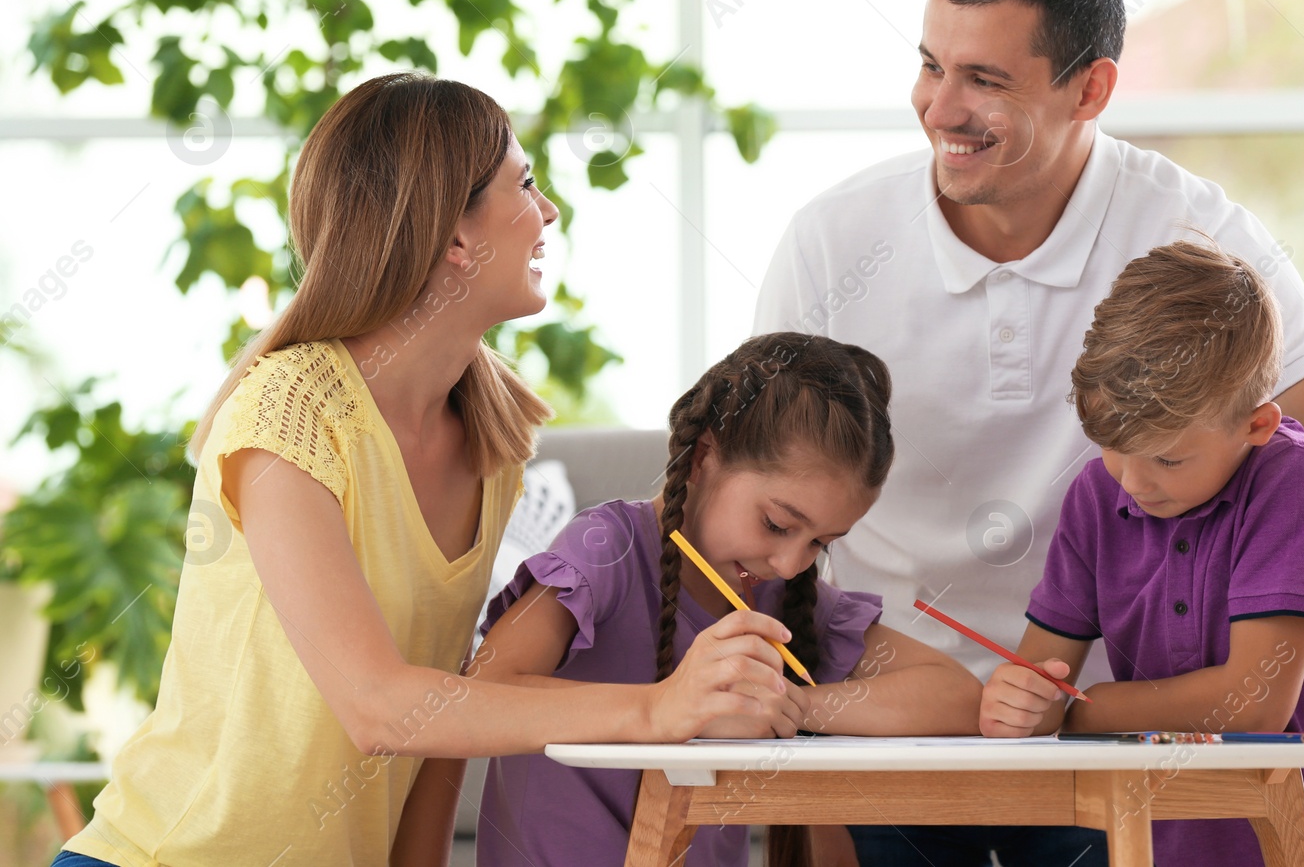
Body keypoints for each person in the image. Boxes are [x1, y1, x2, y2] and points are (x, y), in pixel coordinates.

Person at [753, 0, 1304, 864]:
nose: (940, 107)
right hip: (891, 712)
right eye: (931, 64)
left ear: (1092, 88)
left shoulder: (1193, 235)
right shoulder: (832, 243)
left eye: (986, 80)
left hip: (1112, 738)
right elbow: (747, 506)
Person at [58, 74, 804, 867]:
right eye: (525, 184)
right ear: (455, 236)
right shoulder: (289, 408)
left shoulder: (492, 439)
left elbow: (443, 726)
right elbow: (378, 705)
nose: (548, 212)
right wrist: (655, 710)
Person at [981, 239, 1304, 866]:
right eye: (1113, 448)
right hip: (1170, 847)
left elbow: (1252, 701)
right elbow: (1041, 677)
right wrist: (1019, 703)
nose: (1135, 483)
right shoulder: (1098, 494)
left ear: (1257, 424)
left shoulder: (1299, 481)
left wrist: (1077, 712)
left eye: (1169, 459)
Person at [470, 331, 982, 867]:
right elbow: (481, 696)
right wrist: (666, 707)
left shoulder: (785, 600)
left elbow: (958, 694)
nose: (790, 563)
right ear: (704, 458)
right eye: (777, 523)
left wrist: (792, 705)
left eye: (820, 544)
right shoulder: (605, 550)